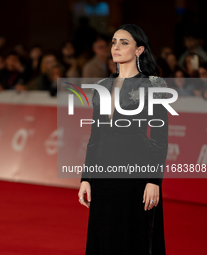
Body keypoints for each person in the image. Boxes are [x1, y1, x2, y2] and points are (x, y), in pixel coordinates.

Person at [78, 24, 168, 255]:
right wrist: (86, 178)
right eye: (114, 41)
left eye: (124, 42)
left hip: (136, 171)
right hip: (103, 171)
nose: (116, 47)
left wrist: (154, 181)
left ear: (139, 50)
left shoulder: (154, 85)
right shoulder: (102, 86)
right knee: (105, 236)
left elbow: (159, 137)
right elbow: (95, 135)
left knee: (134, 237)